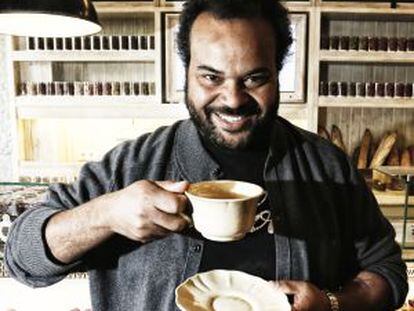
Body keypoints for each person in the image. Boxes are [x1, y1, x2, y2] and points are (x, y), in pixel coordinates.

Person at [5, 0, 408, 310]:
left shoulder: (326, 167)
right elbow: (22, 257)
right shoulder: (130, 166)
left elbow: (388, 273)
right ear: (187, 73)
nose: (233, 100)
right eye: (210, 77)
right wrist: (108, 214)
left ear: (278, 71)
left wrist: (331, 303)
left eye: (254, 78)